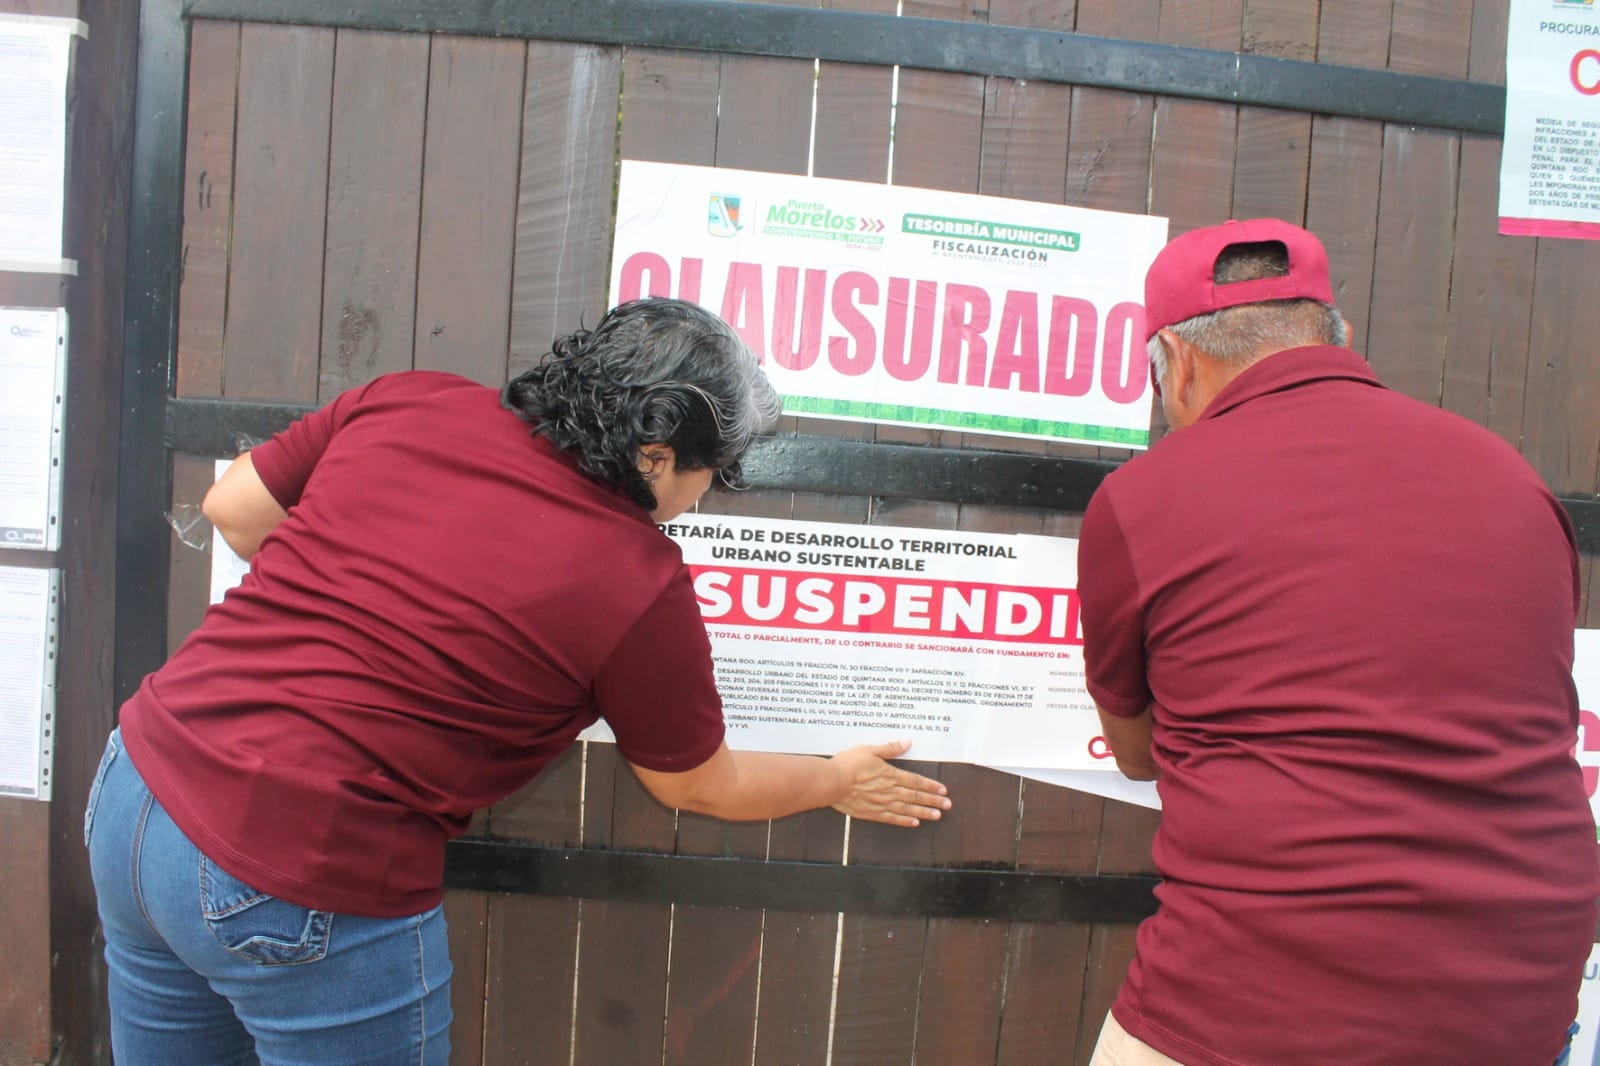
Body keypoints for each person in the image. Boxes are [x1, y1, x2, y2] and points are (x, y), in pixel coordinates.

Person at [86, 297, 951, 1065]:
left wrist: (357, 595)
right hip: (297, 864)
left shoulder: (412, 399)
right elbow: (696, 783)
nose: (703, 496)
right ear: (656, 455)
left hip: (138, 786)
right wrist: (836, 779)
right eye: (710, 473)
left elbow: (233, 509)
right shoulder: (637, 575)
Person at [1076, 218, 1600, 1066]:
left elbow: (1137, 755)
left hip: (1259, 1007)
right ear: (1340, 333)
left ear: (1174, 360)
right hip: (1518, 1008)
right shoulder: (1511, 475)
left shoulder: (1146, 496)